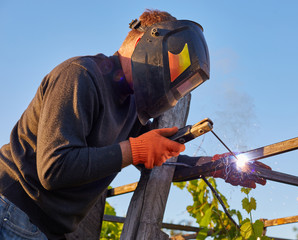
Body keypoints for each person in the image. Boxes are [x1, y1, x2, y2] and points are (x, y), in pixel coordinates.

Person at [0, 9, 267, 240]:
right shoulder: (80, 75)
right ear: (144, 43)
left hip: (44, 228)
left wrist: (217, 165)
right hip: (12, 208)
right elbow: (53, 168)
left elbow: (160, 162)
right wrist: (134, 149)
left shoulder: (130, 107)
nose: (170, 84)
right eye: (169, 70)